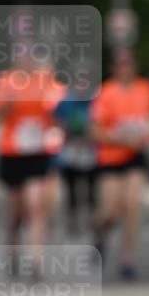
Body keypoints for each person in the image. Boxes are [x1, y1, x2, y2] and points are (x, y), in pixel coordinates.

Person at [89, 48, 149, 280]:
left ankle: (126, 259)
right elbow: (93, 130)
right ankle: (101, 232)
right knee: (110, 209)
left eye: (128, 63)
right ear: (113, 67)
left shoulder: (145, 88)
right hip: (110, 157)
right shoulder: (106, 92)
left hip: (135, 156)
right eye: (120, 64)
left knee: (131, 205)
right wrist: (119, 138)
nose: (124, 68)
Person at [0, 48, 66, 261]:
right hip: (12, 151)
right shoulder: (6, 81)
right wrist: (7, 104)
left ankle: (35, 258)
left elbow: (60, 104)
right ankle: (12, 243)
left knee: (35, 204)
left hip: (37, 151)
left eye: (30, 57)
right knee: (17, 208)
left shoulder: (45, 80)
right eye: (21, 57)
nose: (26, 61)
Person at [54, 94, 98, 236]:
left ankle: (92, 221)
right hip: (70, 149)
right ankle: (72, 222)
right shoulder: (66, 101)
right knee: (71, 189)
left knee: (91, 189)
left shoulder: (96, 100)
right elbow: (57, 120)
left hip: (90, 150)